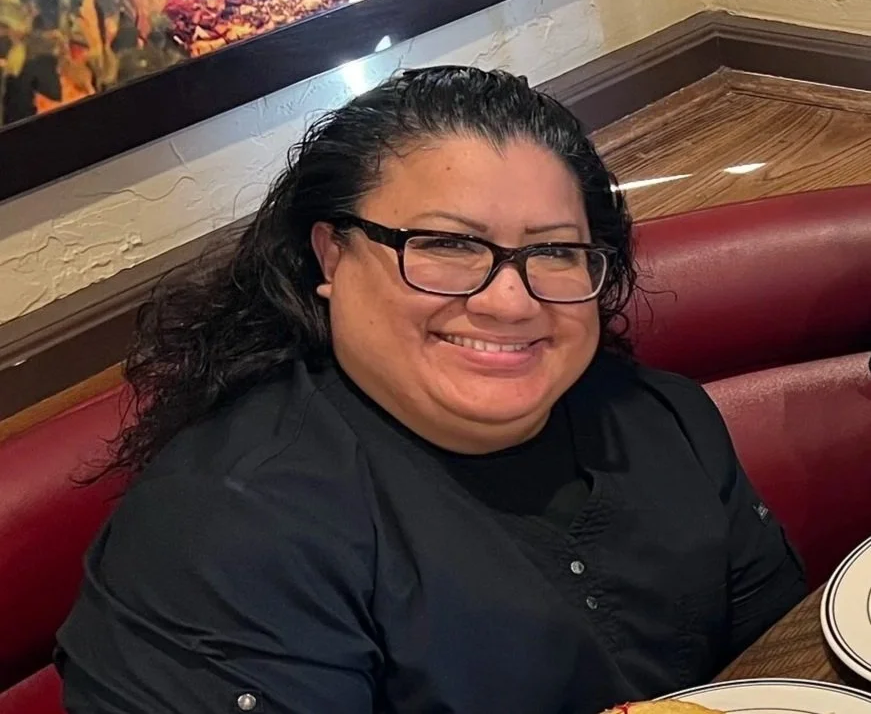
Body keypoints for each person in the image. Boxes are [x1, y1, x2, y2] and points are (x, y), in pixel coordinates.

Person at [56, 66, 806, 714]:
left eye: (552, 251)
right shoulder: (222, 537)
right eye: (446, 244)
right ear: (330, 254)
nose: (509, 301)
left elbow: (778, 671)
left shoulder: (661, 421)